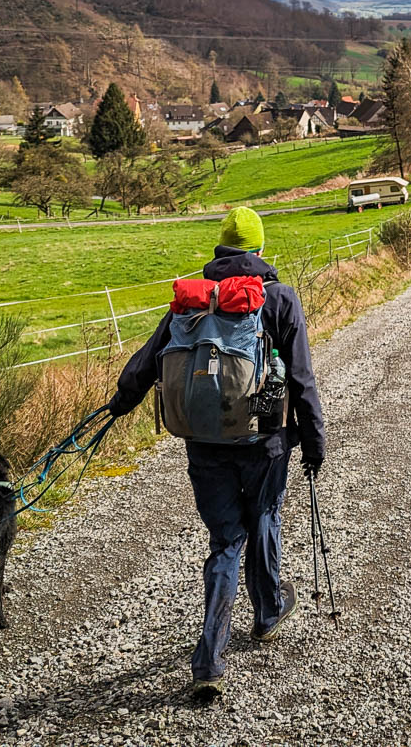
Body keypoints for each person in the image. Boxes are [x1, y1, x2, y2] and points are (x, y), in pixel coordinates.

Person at [106, 206, 325, 697]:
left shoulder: (191, 303)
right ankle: (267, 612)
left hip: (204, 443)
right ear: (260, 250)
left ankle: (209, 659)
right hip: (264, 441)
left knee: (226, 541)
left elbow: (146, 363)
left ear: (221, 251)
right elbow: (303, 379)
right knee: (265, 518)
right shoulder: (279, 300)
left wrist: (119, 405)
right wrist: (313, 441)